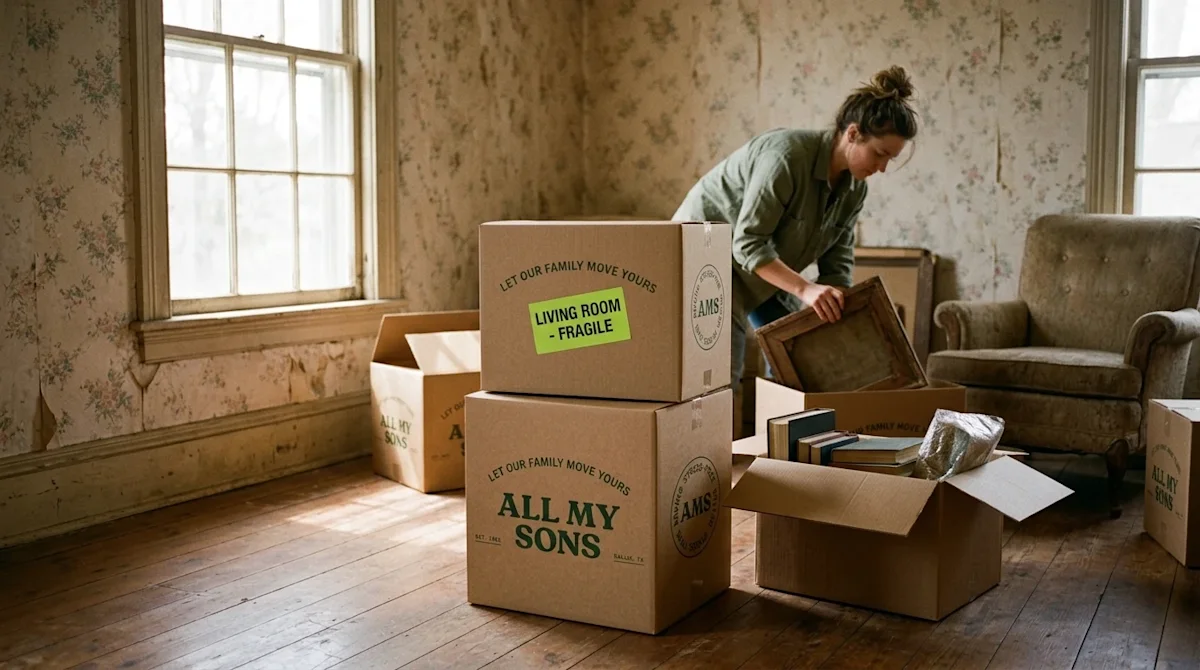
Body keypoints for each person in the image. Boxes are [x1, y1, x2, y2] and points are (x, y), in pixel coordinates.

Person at [673, 65, 919, 392]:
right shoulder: (786, 158)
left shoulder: (855, 190)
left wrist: (837, 303)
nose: (883, 168)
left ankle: (778, 439)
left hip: (762, 273)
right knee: (722, 383)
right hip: (709, 261)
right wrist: (805, 289)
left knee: (799, 365)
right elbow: (747, 244)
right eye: (880, 154)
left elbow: (837, 265)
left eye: (891, 159)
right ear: (853, 133)